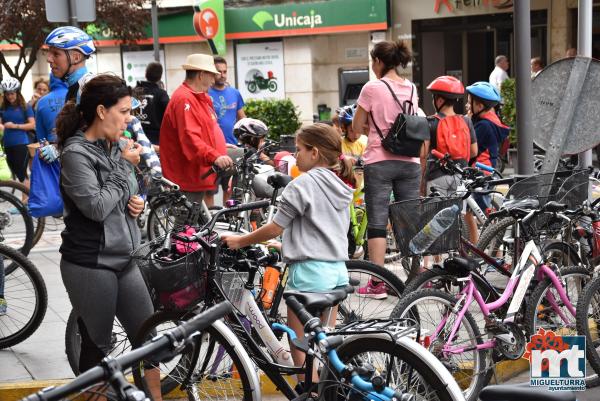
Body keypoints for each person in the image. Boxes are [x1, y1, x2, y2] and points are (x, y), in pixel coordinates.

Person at [221, 123, 354, 390]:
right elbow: (324, 228)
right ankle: (326, 390)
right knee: (323, 347)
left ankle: (310, 392)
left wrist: (240, 240)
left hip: (309, 275)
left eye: (299, 149)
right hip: (337, 272)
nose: (296, 155)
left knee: (300, 348)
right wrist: (288, 244)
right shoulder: (340, 184)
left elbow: (275, 226)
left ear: (314, 153)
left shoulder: (301, 184)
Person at [55, 74, 161, 399]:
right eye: (125, 111)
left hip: (125, 258)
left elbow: (122, 195)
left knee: (148, 340)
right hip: (91, 263)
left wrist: (136, 202)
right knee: (96, 345)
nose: (130, 119)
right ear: (102, 111)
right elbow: (97, 208)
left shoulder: (114, 145)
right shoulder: (76, 154)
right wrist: (122, 168)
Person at [352, 40, 425, 299]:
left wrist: (373, 130)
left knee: (378, 222)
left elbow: (355, 126)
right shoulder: (411, 87)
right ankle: (415, 279)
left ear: (379, 62)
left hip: (379, 161)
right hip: (410, 161)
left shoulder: (372, 88)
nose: (372, 66)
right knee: (408, 222)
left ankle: (377, 284)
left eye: (373, 61)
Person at [160, 54, 232, 205]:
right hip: (187, 177)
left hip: (197, 173)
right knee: (186, 226)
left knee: (194, 225)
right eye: (212, 75)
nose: (213, 80)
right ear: (201, 75)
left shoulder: (196, 97)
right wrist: (215, 156)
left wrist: (220, 147)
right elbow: (190, 139)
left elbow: (204, 131)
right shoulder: (185, 99)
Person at [464, 81, 509, 243]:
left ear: (480, 105)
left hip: (480, 173)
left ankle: (495, 253)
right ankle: (475, 247)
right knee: (469, 212)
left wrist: (467, 122)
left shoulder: (484, 125)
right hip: (482, 171)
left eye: (470, 103)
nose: (467, 105)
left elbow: (467, 145)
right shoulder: (489, 120)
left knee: (483, 214)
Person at [423, 76, 477, 197]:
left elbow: (423, 154)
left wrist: (421, 182)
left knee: (436, 215)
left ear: (440, 101)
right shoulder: (466, 121)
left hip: (436, 177)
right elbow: (474, 151)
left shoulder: (430, 122)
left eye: (434, 98)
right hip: (461, 177)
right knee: (457, 214)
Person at [206, 57, 246, 206]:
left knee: (229, 190)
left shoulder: (235, 93)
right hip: (214, 151)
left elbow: (242, 119)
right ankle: (209, 225)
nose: (222, 75)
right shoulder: (206, 94)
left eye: (225, 71)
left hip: (233, 149)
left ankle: (227, 222)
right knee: (209, 190)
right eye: (219, 72)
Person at [0, 77, 35, 193]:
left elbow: (32, 125)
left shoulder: (25, 106)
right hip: (7, 144)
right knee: (16, 172)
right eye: (7, 94)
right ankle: (26, 203)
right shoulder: (2, 108)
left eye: (12, 93)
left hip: (21, 143)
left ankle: (28, 203)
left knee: (22, 174)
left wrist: (15, 126)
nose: (10, 96)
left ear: (17, 92)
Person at [134, 62, 169, 145]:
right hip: (156, 140)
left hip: (136, 137)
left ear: (146, 74)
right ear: (160, 77)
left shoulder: (135, 91)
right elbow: (169, 113)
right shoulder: (161, 94)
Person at [35, 74, 68, 143]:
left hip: (52, 143)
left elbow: (40, 133)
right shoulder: (74, 95)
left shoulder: (41, 102)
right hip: (74, 144)